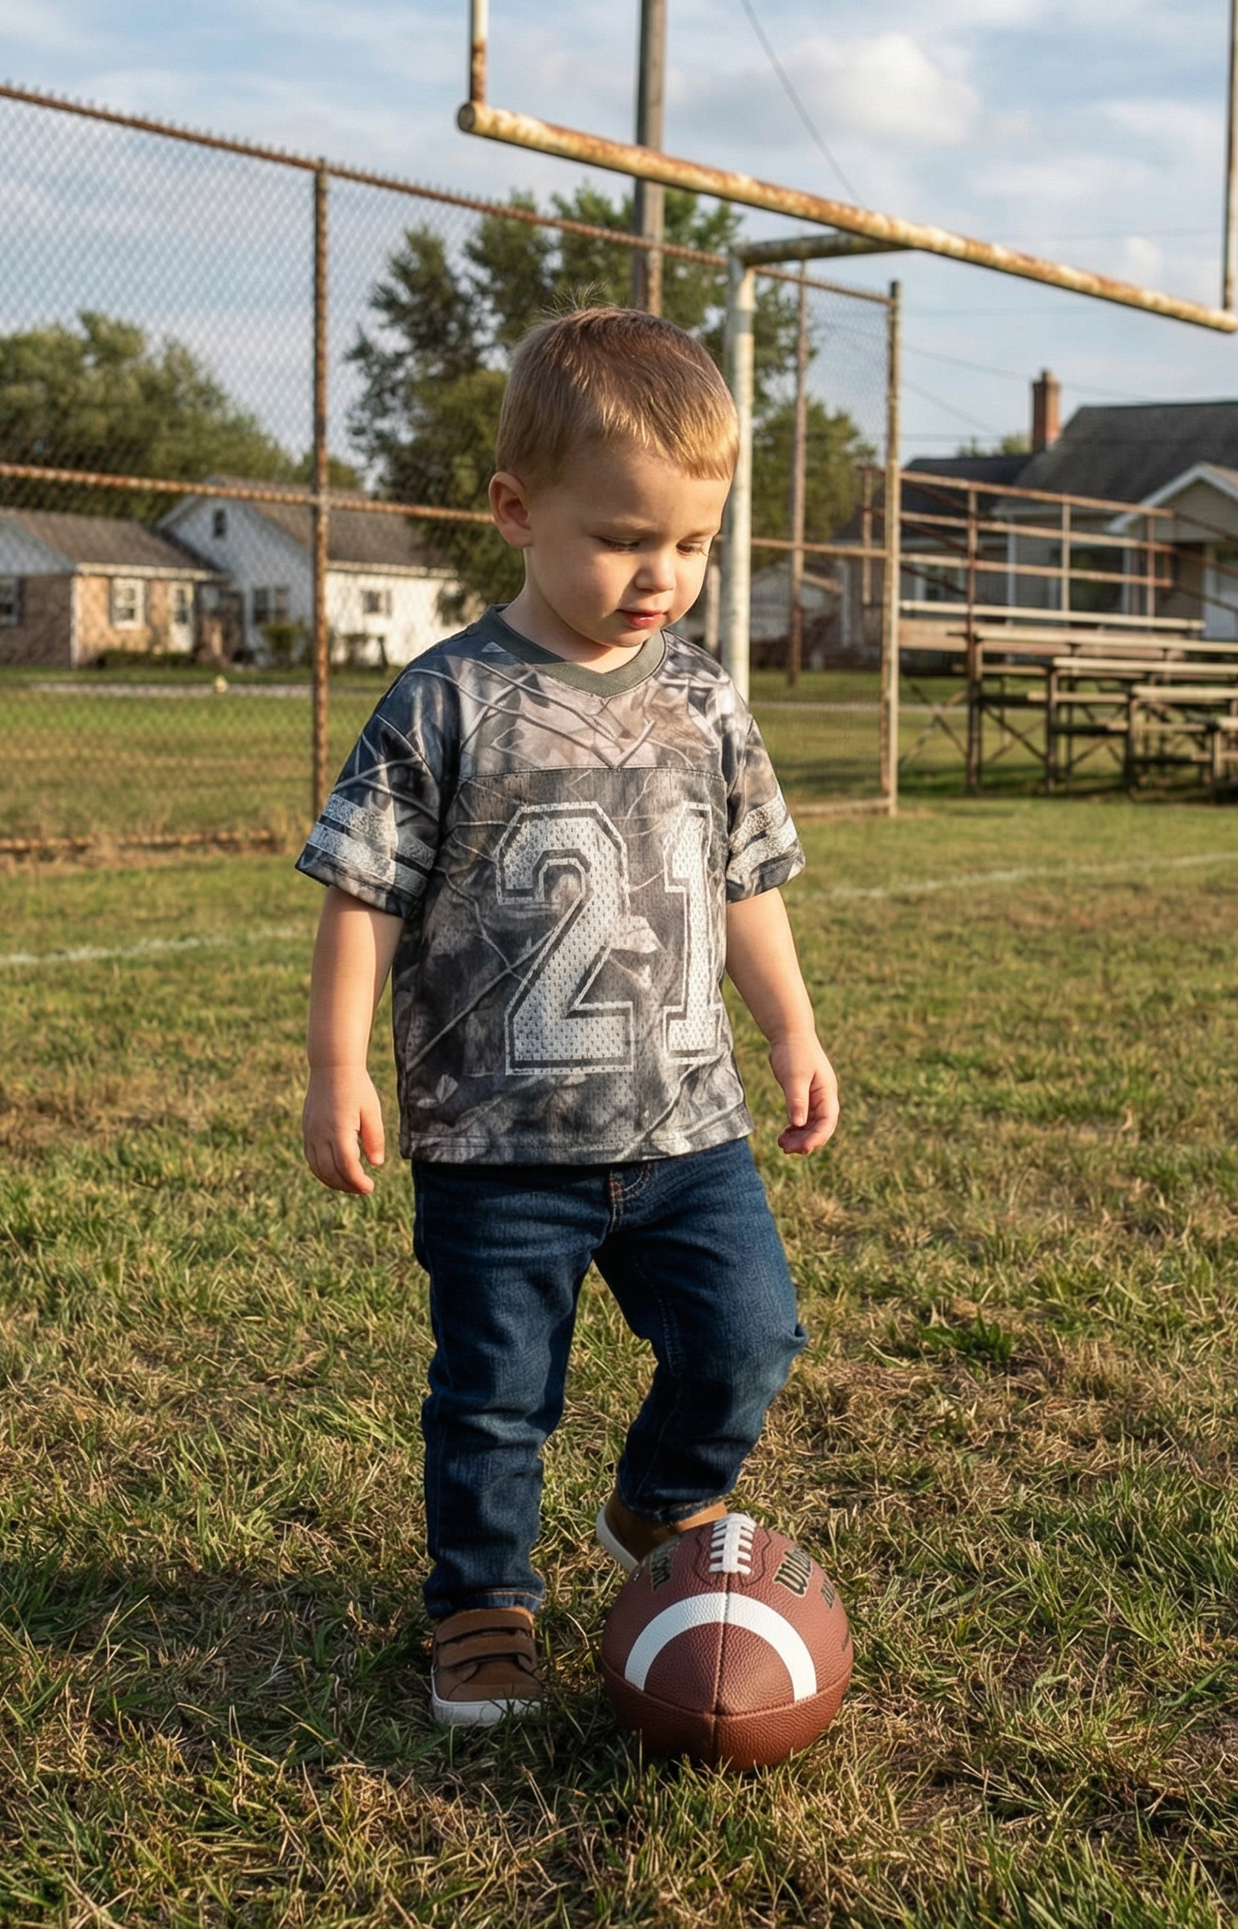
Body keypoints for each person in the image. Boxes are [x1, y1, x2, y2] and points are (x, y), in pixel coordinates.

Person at [296, 306, 838, 1726]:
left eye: (693, 543)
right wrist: (335, 1064)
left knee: (749, 1335)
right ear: (514, 510)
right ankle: (480, 1604)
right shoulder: (445, 702)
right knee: (492, 1397)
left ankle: (657, 1505)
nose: (661, 574)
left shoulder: (709, 703)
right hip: (496, 1145)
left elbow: (742, 882)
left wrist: (789, 1025)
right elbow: (360, 893)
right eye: (622, 538)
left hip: (686, 1129)